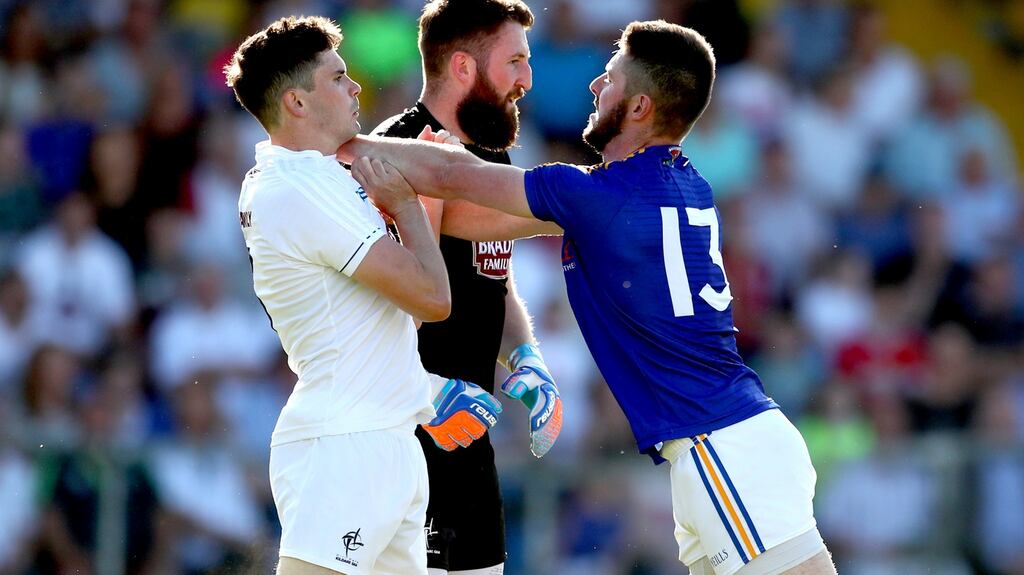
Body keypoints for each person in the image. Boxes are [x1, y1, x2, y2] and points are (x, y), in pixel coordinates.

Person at [340, 20, 837, 575]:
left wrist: (331, 143)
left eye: (611, 79)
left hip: (720, 445)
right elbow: (471, 209)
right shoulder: (681, 183)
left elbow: (451, 176)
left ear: (641, 106)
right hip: (720, 444)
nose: (597, 88)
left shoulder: (598, 195)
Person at [223, 16, 502, 575]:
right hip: (344, 441)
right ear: (298, 103)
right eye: (338, 77)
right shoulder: (300, 186)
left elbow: (403, 316)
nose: (356, 88)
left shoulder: (320, 178)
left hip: (388, 441)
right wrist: (405, 207)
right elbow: (433, 299)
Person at [369, 1, 562, 573]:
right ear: (462, 67)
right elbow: (369, 307)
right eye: (515, 61)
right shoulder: (391, 156)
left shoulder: (487, 154)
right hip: (401, 442)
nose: (527, 80)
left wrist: (525, 355)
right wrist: (425, 392)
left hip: (469, 449)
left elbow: (494, 285)